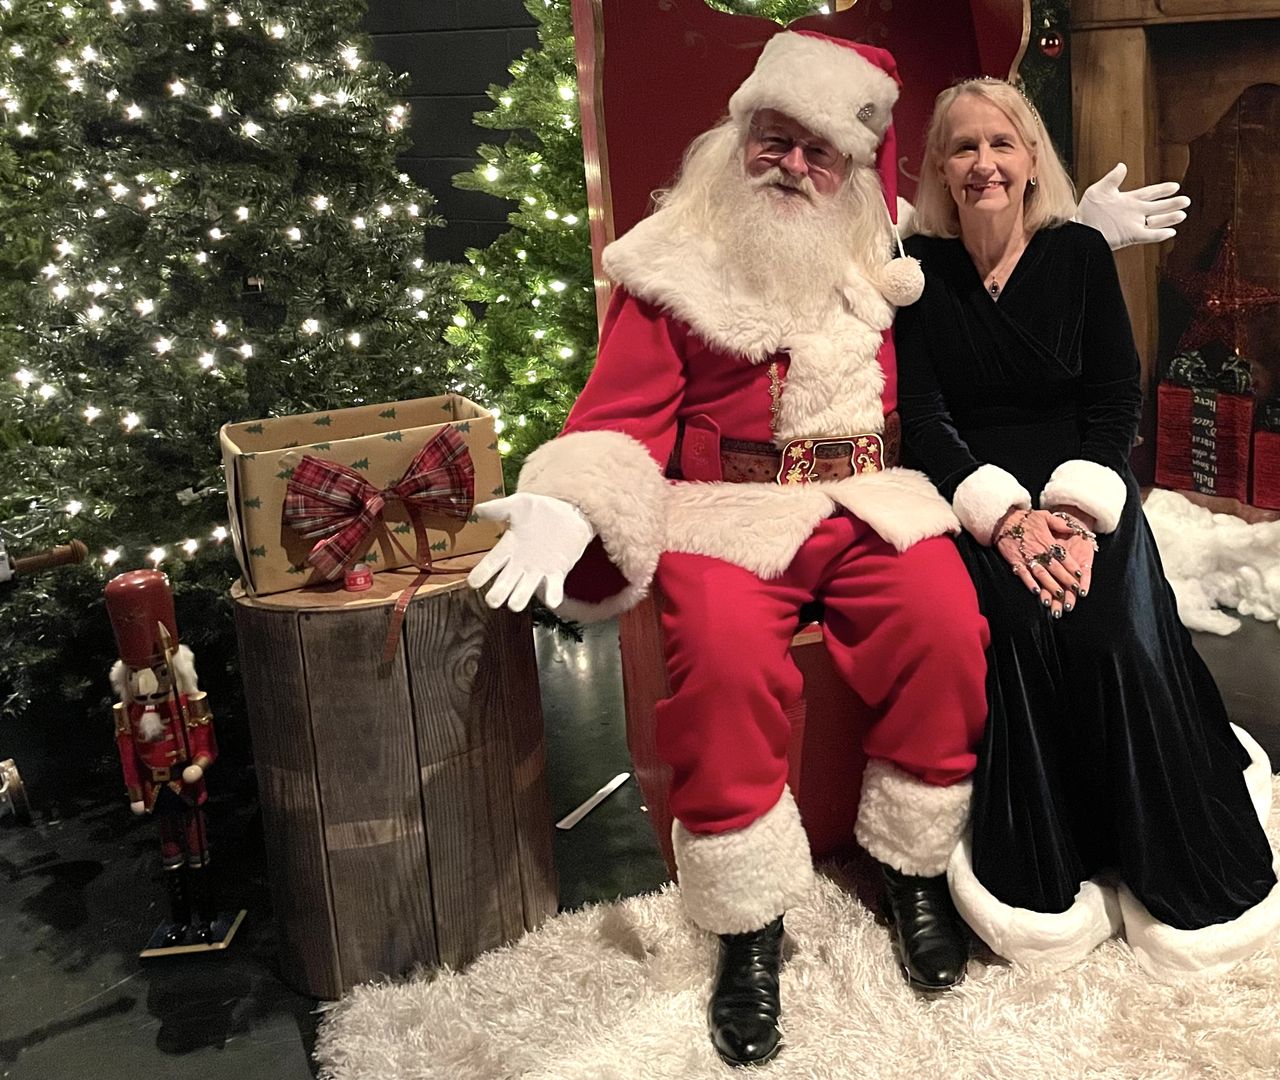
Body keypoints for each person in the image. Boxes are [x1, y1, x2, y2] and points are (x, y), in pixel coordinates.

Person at [466, 33, 1184, 1066]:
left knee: (948, 624)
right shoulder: (670, 261)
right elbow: (617, 420)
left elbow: (991, 285)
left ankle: (914, 866)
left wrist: (1068, 236)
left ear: (852, 170)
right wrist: (572, 501)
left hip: (872, 497)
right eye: (777, 142)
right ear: (738, 136)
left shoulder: (878, 252)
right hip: (727, 511)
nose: (796, 166)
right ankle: (747, 924)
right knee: (719, 669)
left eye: (821, 152)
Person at [895, 78, 1280, 980]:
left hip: (1089, 486)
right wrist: (1003, 520)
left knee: (1112, 635)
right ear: (940, 168)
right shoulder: (921, 275)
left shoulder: (1077, 253)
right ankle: (1060, 860)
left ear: (1032, 159)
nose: (984, 163)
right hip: (982, 500)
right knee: (1024, 630)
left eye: (1002, 143)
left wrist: (1075, 513)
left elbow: (1117, 397)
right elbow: (923, 418)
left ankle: (1164, 856)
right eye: (963, 147)